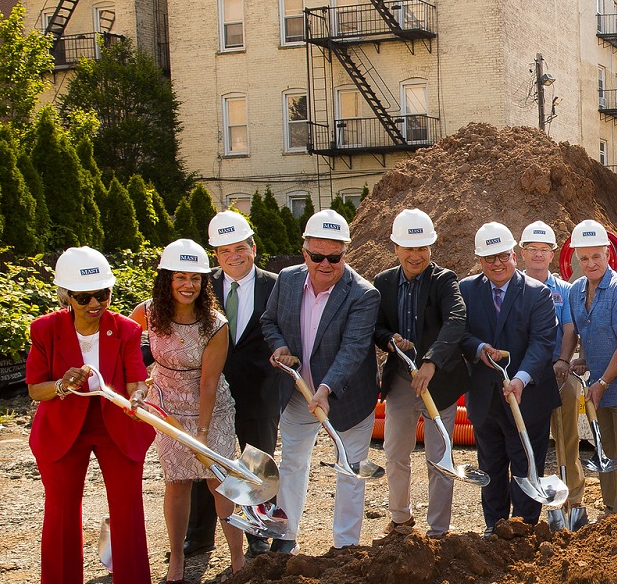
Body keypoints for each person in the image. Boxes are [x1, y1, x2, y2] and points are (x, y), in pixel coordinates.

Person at [26, 247, 163, 584]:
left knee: (127, 505)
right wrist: (61, 384)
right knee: (61, 510)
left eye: (102, 294)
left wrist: (137, 394)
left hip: (114, 424)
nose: (94, 303)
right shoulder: (45, 330)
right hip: (62, 429)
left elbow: (136, 376)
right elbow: (36, 389)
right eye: (83, 297)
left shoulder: (126, 329)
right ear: (65, 295)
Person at [260, 209, 381, 551]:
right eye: (317, 256)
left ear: (346, 253)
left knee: (350, 468)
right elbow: (269, 321)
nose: (325, 264)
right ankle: (285, 537)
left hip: (346, 396)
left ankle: (345, 546)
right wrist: (280, 345)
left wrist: (326, 389)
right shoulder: (287, 280)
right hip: (298, 392)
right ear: (305, 253)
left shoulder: (362, 294)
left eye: (334, 257)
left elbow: (354, 349)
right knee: (293, 461)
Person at [131, 239, 245, 584]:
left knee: (221, 482)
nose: (187, 285)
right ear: (166, 279)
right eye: (180, 277)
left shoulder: (215, 324)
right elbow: (123, 346)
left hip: (211, 408)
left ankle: (239, 559)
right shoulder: (147, 313)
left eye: (195, 278)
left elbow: (209, 383)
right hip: (166, 406)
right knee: (177, 482)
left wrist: (204, 433)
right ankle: (177, 556)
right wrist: (138, 385)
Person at [373, 209, 469, 538]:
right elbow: (377, 326)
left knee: (438, 456)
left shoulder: (444, 280)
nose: (416, 256)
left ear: (431, 248)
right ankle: (400, 518)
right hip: (401, 378)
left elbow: (456, 319)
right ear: (396, 248)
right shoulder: (384, 282)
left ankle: (438, 529)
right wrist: (389, 340)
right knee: (395, 451)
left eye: (422, 248)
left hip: (438, 382)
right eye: (409, 248)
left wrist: (431, 361)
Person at [459, 221, 559, 529]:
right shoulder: (466, 290)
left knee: (526, 463)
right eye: (489, 258)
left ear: (514, 255)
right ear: (480, 261)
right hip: (485, 397)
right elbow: (458, 334)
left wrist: (521, 378)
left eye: (503, 255)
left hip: (527, 396)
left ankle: (524, 528)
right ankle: (495, 526)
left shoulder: (537, 294)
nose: (497, 263)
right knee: (490, 464)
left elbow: (542, 343)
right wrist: (478, 348)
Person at [192, 210, 280, 557]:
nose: (234, 256)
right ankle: (199, 536)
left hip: (260, 390)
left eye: (240, 248)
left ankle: (258, 530)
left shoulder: (275, 285)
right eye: (225, 250)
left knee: (256, 463)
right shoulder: (201, 286)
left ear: (253, 248)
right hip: (210, 390)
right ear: (216, 254)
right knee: (206, 462)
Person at [565, 220, 617, 516]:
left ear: (608, 254)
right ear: (577, 258)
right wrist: (583, 360)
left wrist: (602, 382)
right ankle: (611, 513)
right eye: (584, 258)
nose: (591, 263)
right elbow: (586, 332)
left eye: (596, 256)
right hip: (598, 387)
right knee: (604, 451)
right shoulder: (575, 292)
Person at [519, 221, 583, 499]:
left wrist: (563, 360)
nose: (538, 255)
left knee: (567, 440)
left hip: (559, 374)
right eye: (532, 249)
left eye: (544, 249)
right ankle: (529, 499)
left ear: (552, 254)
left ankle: (573, 500)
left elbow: (569, 329)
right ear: (522, 253)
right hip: (525, 378)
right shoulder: (514, 287)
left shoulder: (564, 290)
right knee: (526, 442)